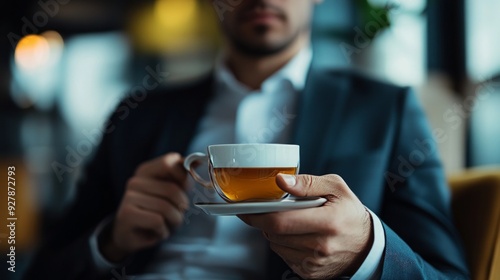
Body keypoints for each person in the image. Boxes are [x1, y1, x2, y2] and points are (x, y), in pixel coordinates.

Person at [24, 0, 469, 279]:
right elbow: (42, 267)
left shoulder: (385, 110)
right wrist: (112, 241)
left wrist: (367, 253)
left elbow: (446, 273)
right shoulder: (138, 113)